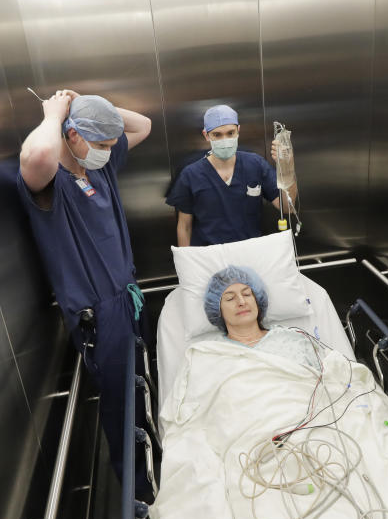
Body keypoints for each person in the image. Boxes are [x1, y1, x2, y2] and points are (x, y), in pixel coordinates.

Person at [18, 88, 153, 489]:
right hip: (98, 313)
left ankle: (155, 455)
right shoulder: (48, 182)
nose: (109, 151)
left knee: (140, 385)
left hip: (128, 298)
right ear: (72, 135)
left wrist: (92, 103)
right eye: (101, 143)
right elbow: (37, 156)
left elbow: (142, 125)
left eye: (111, 145)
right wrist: (54, 114)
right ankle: (137, 487)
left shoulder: (98, 168)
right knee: (120, 405)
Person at [166, 105, 297, 246]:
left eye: (230, 133)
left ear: (238, 131)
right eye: (217, 135)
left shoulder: (255, 164)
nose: (225, 140)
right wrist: (187, 264)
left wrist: (287, 168)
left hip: (250, 254)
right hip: (209, 259)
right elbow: (184, 227)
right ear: (206, 135)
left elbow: (287, 207)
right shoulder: (190, 175)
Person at [202, 265, 321, 370]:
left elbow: (328, 382)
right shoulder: (210, 353)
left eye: (247, 294)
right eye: (230, 298)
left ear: (258, 301)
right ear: (217, 310)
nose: (242, 302)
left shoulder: (294, 339)